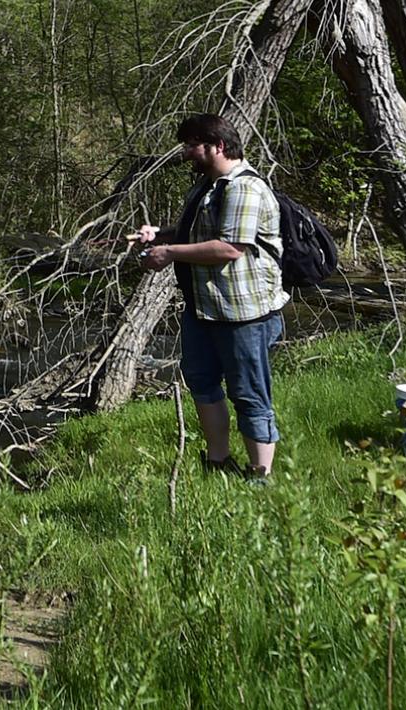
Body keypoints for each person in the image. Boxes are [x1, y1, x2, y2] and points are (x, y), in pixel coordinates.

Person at [126, 113, 289, 483]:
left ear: (217, 146)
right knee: (201, 381)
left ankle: (260, 476)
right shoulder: (210, 186)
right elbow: (200, 231)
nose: (187, 153)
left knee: (249, 395)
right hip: (205, 309)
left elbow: (230, 247)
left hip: (244, 315)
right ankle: (217, 462)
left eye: (192, 145)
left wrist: (169, 255)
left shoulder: (244, 188)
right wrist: (161, 235)